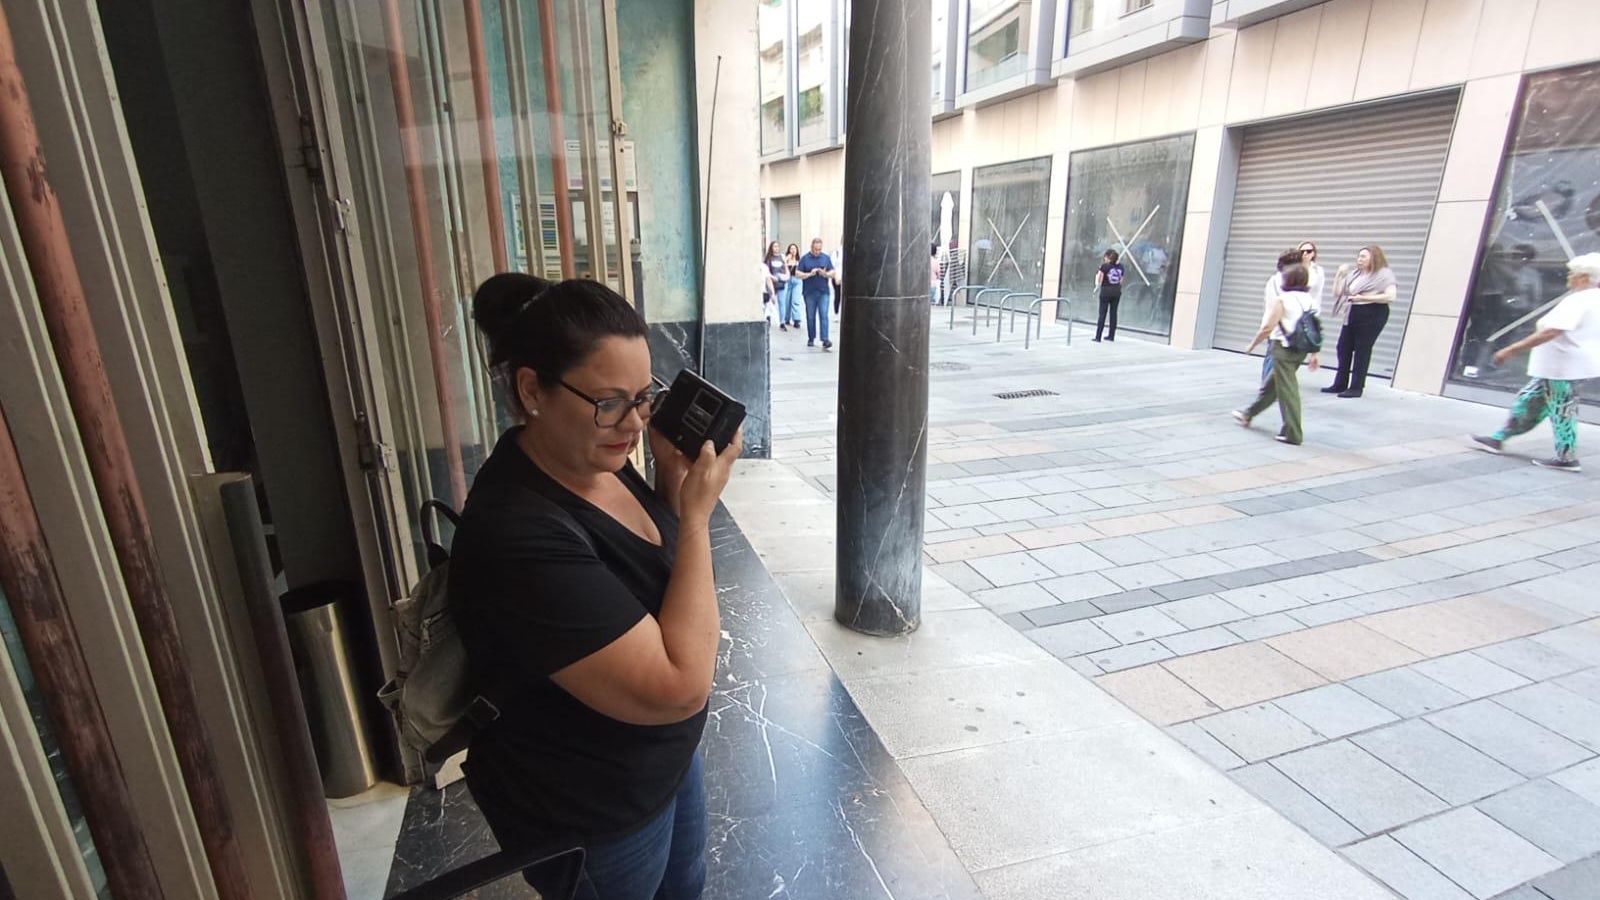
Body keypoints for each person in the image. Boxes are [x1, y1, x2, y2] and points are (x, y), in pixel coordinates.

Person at [452, 273, 742, 899]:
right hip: (594, 807)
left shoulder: (587, 455)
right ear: (532, 389)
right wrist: (696, 517)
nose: (634, 423)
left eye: (644, 397)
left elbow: (649, 568)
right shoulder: (517, 532)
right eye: (609, 402)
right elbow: (678, 686)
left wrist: (669, 481)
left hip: (657, 764)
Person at [1472, 253, 1600, 472]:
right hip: (1564, 366)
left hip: (1562, 367)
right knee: (1527, 400)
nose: (1569, 277)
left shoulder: (1579, 300)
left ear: (1583, 277)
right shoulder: (1593, 299)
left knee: (1562, 410)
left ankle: (1567, 457)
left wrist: (1512, 349)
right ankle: (1498, 437)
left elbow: (1552, 331)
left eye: (1573, 274)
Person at [1233, 263, 1321, 445]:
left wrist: (1252, 345)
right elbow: (1315, 328)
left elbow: (1268, 327)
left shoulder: (1283, 300)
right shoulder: (1310, 300)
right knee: (1272, 385)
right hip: (1301, 350)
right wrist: (1314, 353)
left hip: (1283, 348)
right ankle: (1248, 413)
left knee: (1287, 389)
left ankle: (1293, 433)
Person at [1323, 245, 1397, 398]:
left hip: (1372, 313)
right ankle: (1340, 383)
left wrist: (1364, 298)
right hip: (1353, 312)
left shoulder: (1384, 274)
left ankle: (1356, 387)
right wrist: (1339, 274)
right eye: (1359, 256)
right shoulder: (1355, 274)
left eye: (1363, 256)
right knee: (1343, 348)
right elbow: (1338, 293)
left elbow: (1390, 296)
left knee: (1362, 350)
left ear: (1374, 257)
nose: (1359, 259)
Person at [1260, 248, 1305, 383]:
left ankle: (1269, 385)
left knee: (1273, 355)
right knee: (1276, 356)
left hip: (1275, 322)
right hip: (1282, 324)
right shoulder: (1286, 280)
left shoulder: (1274, 279)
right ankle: (1269, 386)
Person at [795, 237, 835, 349]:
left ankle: (825, 339)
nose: (817, 252)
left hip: (823, 291)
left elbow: (832, 272)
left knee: (824, 314)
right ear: (811, 247)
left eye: (819, 249)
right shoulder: (805, 259)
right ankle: (811, 337)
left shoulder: (826, 258)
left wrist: (825, 274)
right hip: (809, 292)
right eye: (816, 249)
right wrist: (809, 274)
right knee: (810, 316)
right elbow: (797, 273)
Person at [1093, 249, 1125, 342]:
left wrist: (1097, 286)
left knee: (1102, 314)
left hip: (1106, 291)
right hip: (1116, 291)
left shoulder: (1104, 267)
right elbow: (1121, 280)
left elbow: (1100, 279)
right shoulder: (1121, 267)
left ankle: (1098, 336)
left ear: (1108, 258)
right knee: (1113, 313)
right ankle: (1111, 335)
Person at [763, 241, 787, 330]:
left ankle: (782, 322)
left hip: (780, 282)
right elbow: (766, 271)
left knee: (782, 302)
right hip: (771, 283)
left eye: (777, 246)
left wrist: (786, 276)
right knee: (770, 302)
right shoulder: (768, 259)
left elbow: (785, 268)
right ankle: (768, 318)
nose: (776, 248)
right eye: (774, 246)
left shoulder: (782, 257)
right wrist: (772, 278)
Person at [779, 242, 804, 329]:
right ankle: (786, 318)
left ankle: (796, 320)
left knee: (795, 300)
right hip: (788, 281)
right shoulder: (786, 259)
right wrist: (786, 259)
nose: (793, 250)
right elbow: (781, 267)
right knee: (787, 300)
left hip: (797, 281)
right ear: (789, 250)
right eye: (791, 249)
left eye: (794, 249)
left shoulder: (799, 261)